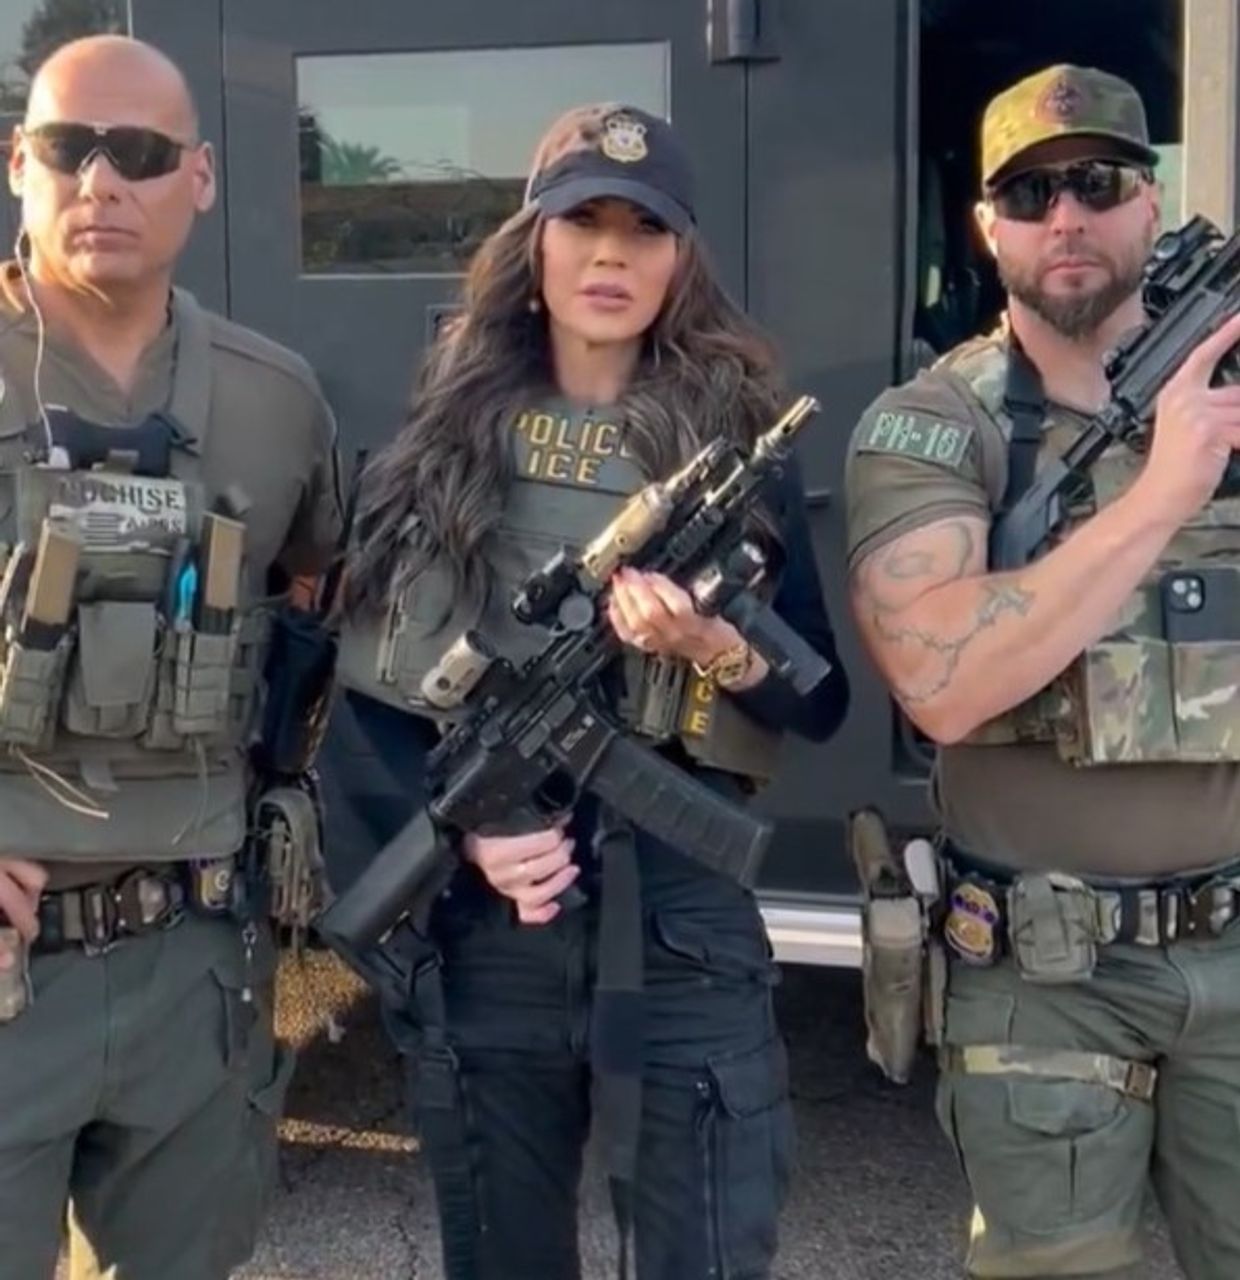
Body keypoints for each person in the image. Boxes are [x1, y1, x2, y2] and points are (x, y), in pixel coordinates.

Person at [330, 103, 849, 1280]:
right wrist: (467, 840)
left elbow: (817, 701)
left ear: (681, 257)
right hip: (494, 918)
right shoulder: (440, 444)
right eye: (583, 223)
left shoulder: (733, 445)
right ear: (535, 244)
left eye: (644, 229)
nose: (611, 255)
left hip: (681, 914)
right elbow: (367, 705)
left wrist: (716, 643)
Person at [846, 63, 1240, 1280]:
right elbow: (941, 683)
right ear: (986, 225)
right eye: (1027, 194)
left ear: (1150, 201)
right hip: (1043, 974)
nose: (1064, 216)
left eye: (1096, 183)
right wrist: (1161, 492)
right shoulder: (933, 423)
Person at [0, 34, 341, 1280]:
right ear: (17, 162)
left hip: (194, 965)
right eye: (68, 148)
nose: (101, 181)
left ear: (198, 177)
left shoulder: (276, 402)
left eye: (139, 153)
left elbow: (319, 607)